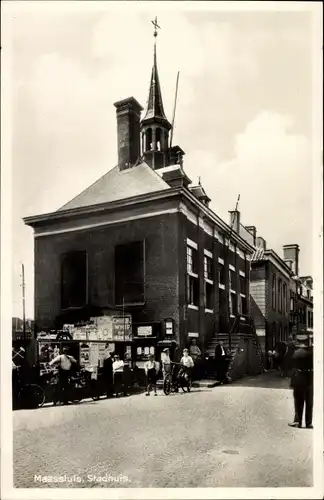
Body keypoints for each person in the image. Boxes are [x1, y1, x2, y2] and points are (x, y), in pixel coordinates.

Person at [288, 337, 313, 429]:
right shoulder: (312, 353)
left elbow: (291, 367)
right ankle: (309, 423)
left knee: (298, 402)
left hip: (299, 379)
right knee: (309, 402)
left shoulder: (295, 353)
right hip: (310, 379)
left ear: (298, 342)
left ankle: (298, 422)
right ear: (306, 342)